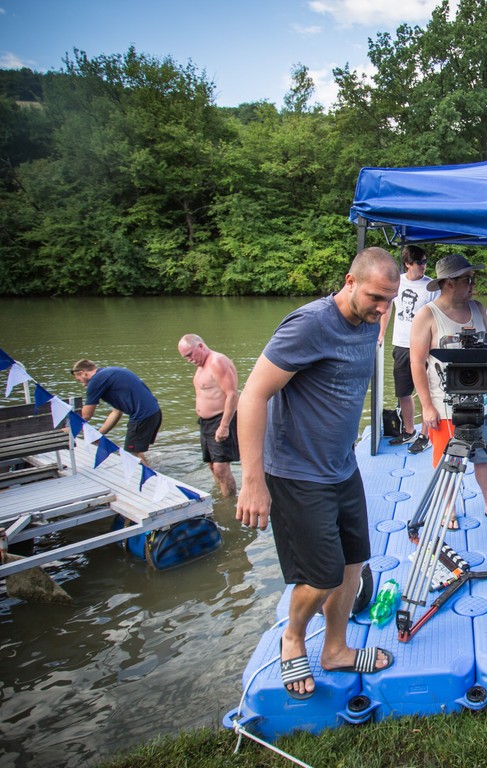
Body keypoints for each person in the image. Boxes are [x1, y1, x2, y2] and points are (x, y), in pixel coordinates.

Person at [235, 246, 399, 700]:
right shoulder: (309, 324)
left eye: (389, 300)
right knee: (321, 575)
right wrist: (252, 481)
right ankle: (293, 638)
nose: (382, 309)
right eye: (375, 298)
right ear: (349, 281)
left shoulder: (371, 321)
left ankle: (335, 649)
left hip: (341, 465)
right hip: (296, 472)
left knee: (353, 562)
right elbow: (253, 395)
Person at [411, 253, 487, 525]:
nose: (473, 284)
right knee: (449, 458)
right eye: (468, 280)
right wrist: (426, 406)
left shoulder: (478, 308)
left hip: (481, 400)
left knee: (485, 454)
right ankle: (448, 508)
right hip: (445, 404)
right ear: (449, 283)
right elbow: (416, 362)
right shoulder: (427, 315)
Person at [378, 245, 439, 455]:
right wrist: (381, 333)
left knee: (426, 392)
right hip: (402, 343)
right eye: (419, 262)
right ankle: (409, 431)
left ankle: (425, 436)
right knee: (403, 391)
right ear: (407, 264)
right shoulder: (397, 281)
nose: (423, 266)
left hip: (424, 346)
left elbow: (437, 316)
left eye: (425, 262)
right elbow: (387, 308)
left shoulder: (432, 286)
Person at [177, 334, 240, 496]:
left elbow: (232, 394)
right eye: (185, 357)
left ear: (201, 346)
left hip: (220, 419)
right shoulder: (201, 366)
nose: (189, 360)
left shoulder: (217, 362)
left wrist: (224, 426)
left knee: (221, 468)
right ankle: (220, 496)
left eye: (190, 354)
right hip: (205, 423)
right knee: (212, 465)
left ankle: (229, 503)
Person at [71, 360, 161, 464]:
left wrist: (70, 428)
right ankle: (147, 469)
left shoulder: (95, 380)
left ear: (82, 373)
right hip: (154, 413)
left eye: (80, 380)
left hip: (142, 416)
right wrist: (99, 434)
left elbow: (86, 415)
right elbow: (117, 412)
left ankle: (147, 473)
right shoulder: (110, 373)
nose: (83, 385)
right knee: (135, 449)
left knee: (131, 453)